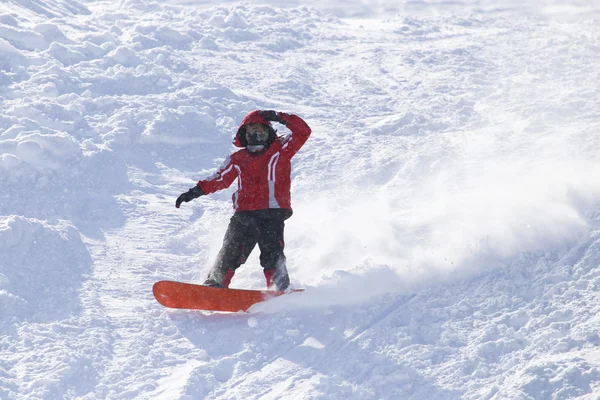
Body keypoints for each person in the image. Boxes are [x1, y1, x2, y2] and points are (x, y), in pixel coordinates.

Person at [175, 110, 311, 291]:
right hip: (244, 214)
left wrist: (280, 117)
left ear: (268, 132)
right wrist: (194, 192)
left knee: (272, 252)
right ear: (243, 136)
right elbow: (218, 179)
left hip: (272, 212)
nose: (254, 135)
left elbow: (303, 131)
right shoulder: (237, 159)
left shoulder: (281, 149)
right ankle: (215, 283)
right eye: (249, 131)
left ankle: (278, 286)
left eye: (259, 130)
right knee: (230, 250)